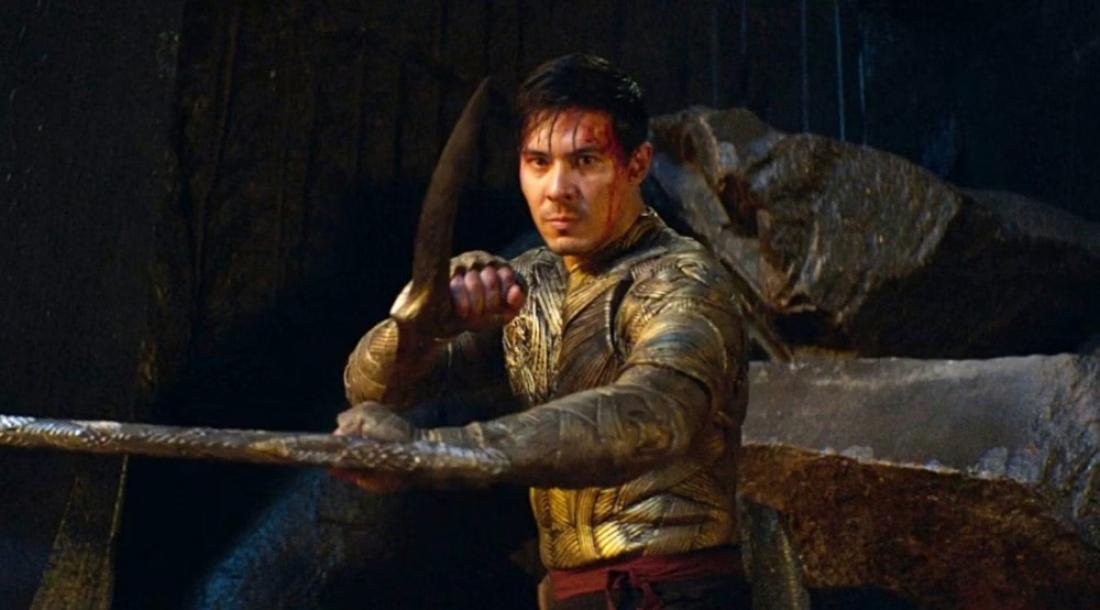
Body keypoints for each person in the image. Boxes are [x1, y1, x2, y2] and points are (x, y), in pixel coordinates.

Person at [334, 53, 749, 610]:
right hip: (571, 594)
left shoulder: (684, 281)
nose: (557, 188)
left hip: (676, 594)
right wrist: (419, 326)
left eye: (585, 161)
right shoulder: (528, 285)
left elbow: (649, 418)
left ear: (636, 165)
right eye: (538, 161)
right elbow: (370, 390)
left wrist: (431, 451)